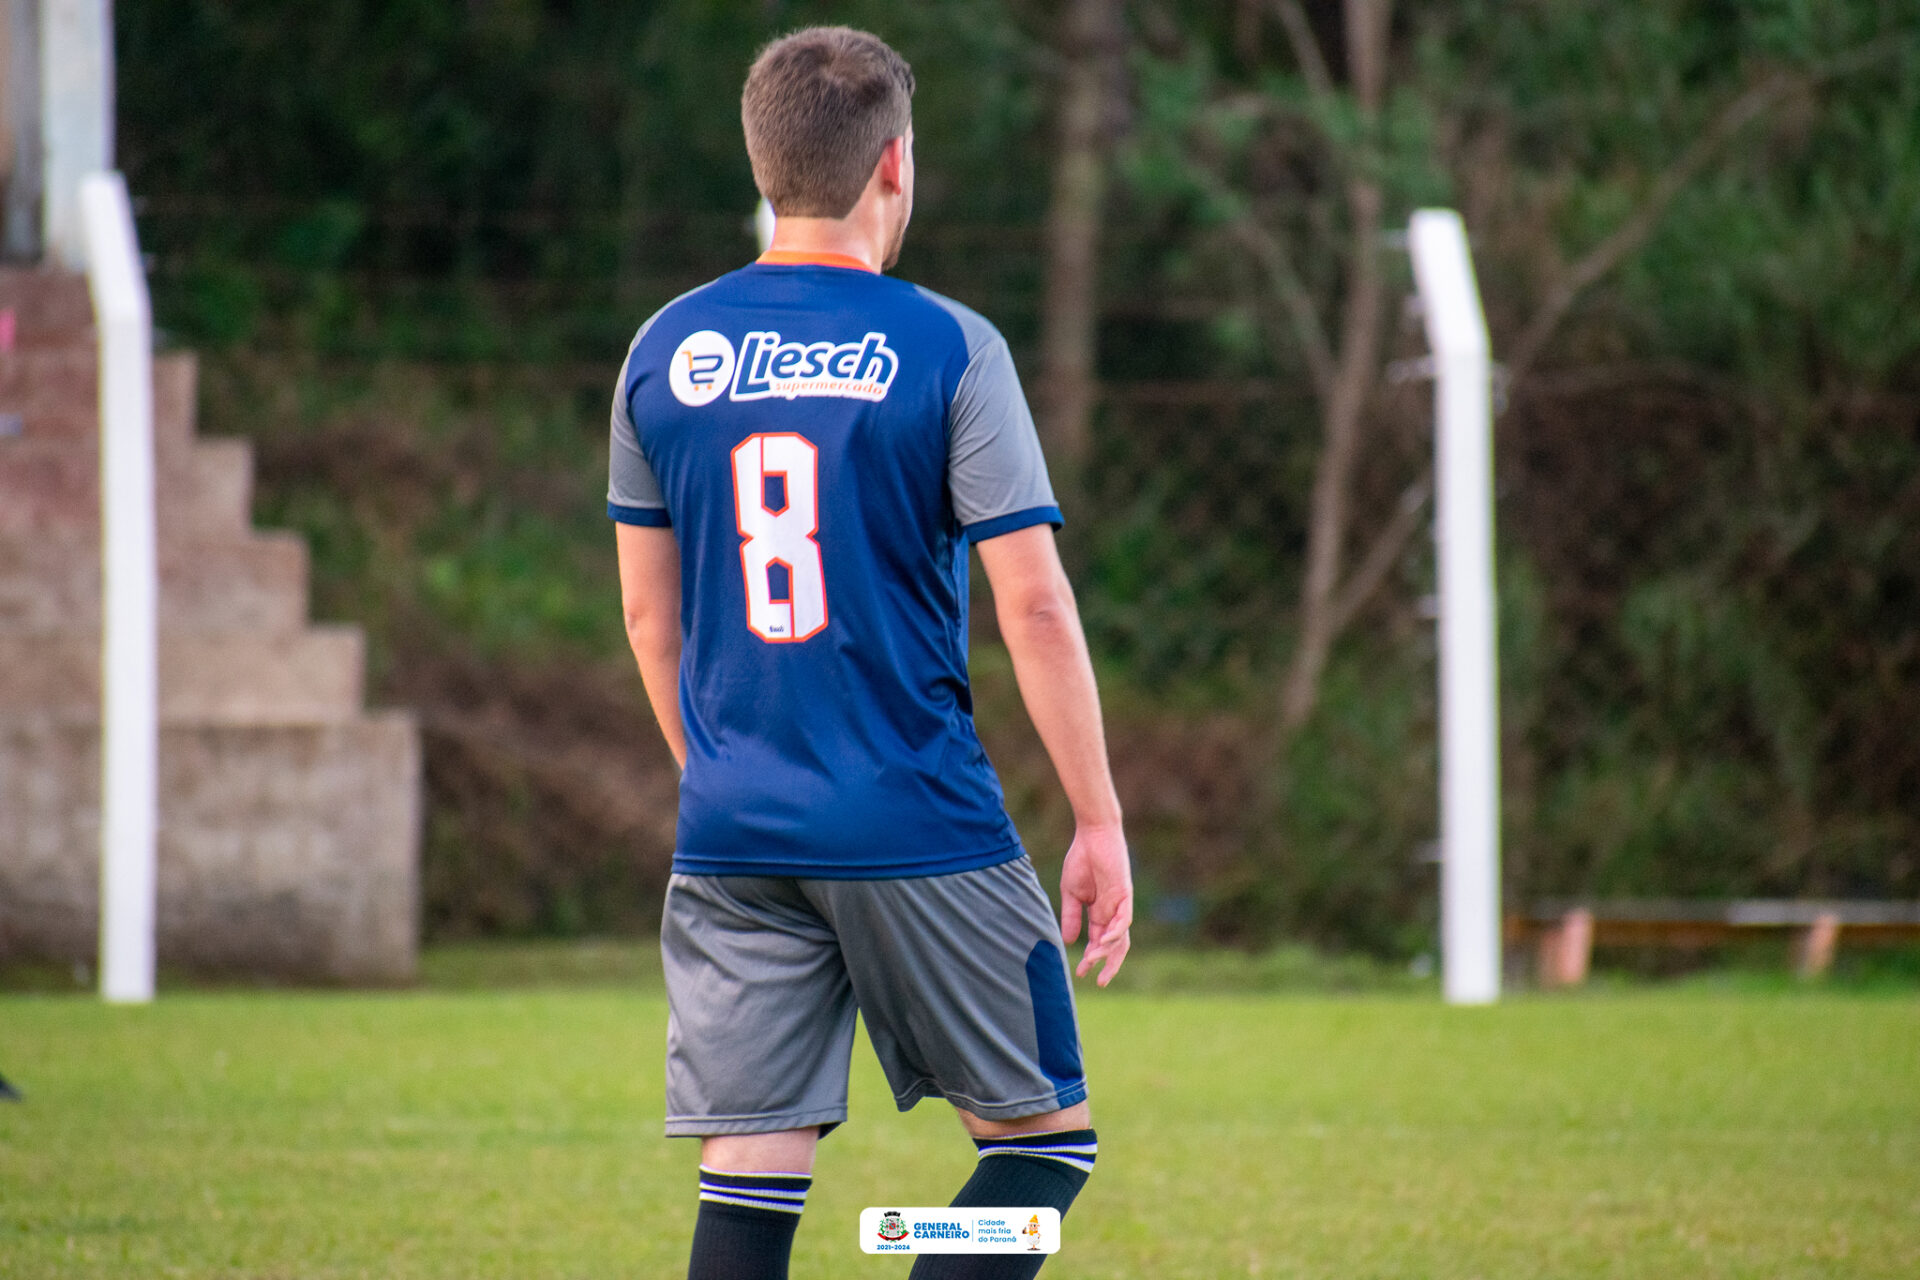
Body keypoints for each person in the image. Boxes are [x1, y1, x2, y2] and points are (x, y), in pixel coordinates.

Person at [609, 26, 1133, 1280]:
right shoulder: (950, 346)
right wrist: (1099, 816)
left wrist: (729, 765)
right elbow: (1038, 608)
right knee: (1041, 1150)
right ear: (894, 163)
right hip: (917, 818)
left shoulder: (663, 351)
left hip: (734, 824)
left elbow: (650, 619)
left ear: (760, 161)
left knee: (748, 1183)